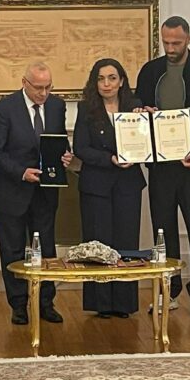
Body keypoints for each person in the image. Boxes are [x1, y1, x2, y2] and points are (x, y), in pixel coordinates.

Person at [134, 15, 190, 317]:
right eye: (166, 42)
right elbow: (137, 111)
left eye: (177, 42)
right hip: (161, 167)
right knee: (163, 231)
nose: (171, 48)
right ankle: (167, 290)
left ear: (189, 39)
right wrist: (142, 112)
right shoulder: (150, 72)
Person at [0, 61, 71, 325]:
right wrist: (22, 172)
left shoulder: (56, 106)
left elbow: (58, 141)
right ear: (24, 83)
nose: (43, 93)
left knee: (46, 249)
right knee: (12, 250)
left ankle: (46, 302)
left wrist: (65, 155)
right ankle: (19, 305)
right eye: (38, 88)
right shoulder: (4, 109)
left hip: (45, 192)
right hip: (11, 190)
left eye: (48, 87)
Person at [73, 58, 146, 318]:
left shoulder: (135, 107)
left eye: (112, 78)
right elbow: (80, 148)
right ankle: (102, 303)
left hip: (128, 184)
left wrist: (147, 123)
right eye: (101, 78)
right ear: (95, 83)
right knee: (99, 244)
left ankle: (123, 303)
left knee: (126, 243)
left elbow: (146, 142)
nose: (107, 84)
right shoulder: (86, 109)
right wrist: (110, 159)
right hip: (97, 185)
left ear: (121, 81)